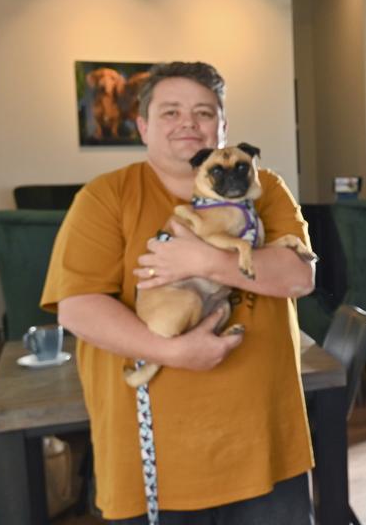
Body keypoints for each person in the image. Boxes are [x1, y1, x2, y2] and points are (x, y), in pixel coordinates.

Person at [41, 61, 317, 523]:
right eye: (170, 112)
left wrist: (206, 260)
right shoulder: (106, 196)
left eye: (204, 113)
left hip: (267, 447)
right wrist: (174, 352)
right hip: (154, 459)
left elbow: (298, 277)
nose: (188, 122)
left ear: (223, 126)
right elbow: (77, 308)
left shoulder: (262, 186)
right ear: (143, 126)